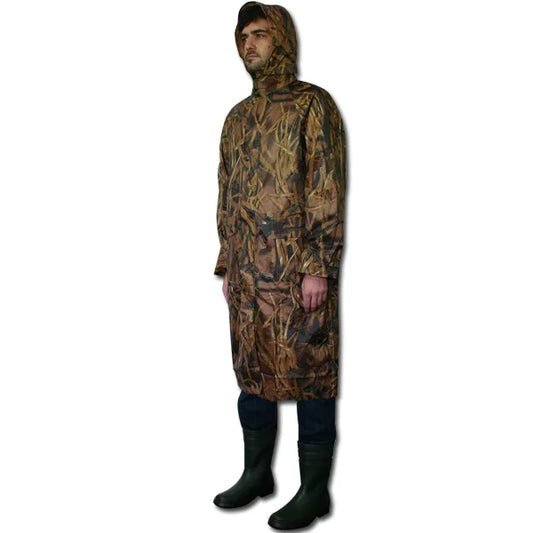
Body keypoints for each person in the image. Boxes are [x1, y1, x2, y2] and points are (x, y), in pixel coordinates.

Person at [213, 2, 345, 529]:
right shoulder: (237, 119)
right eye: (243, 36)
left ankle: (314, 491)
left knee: (311, 374)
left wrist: (318, 264)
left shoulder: (313, 105)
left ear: (282, 39)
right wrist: (228, 262)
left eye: (261, 33)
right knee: (251, 373)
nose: (249, 43)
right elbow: (227, 194)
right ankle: (256, 473)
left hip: (296, 274)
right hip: (248, 278)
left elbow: (326, 187)